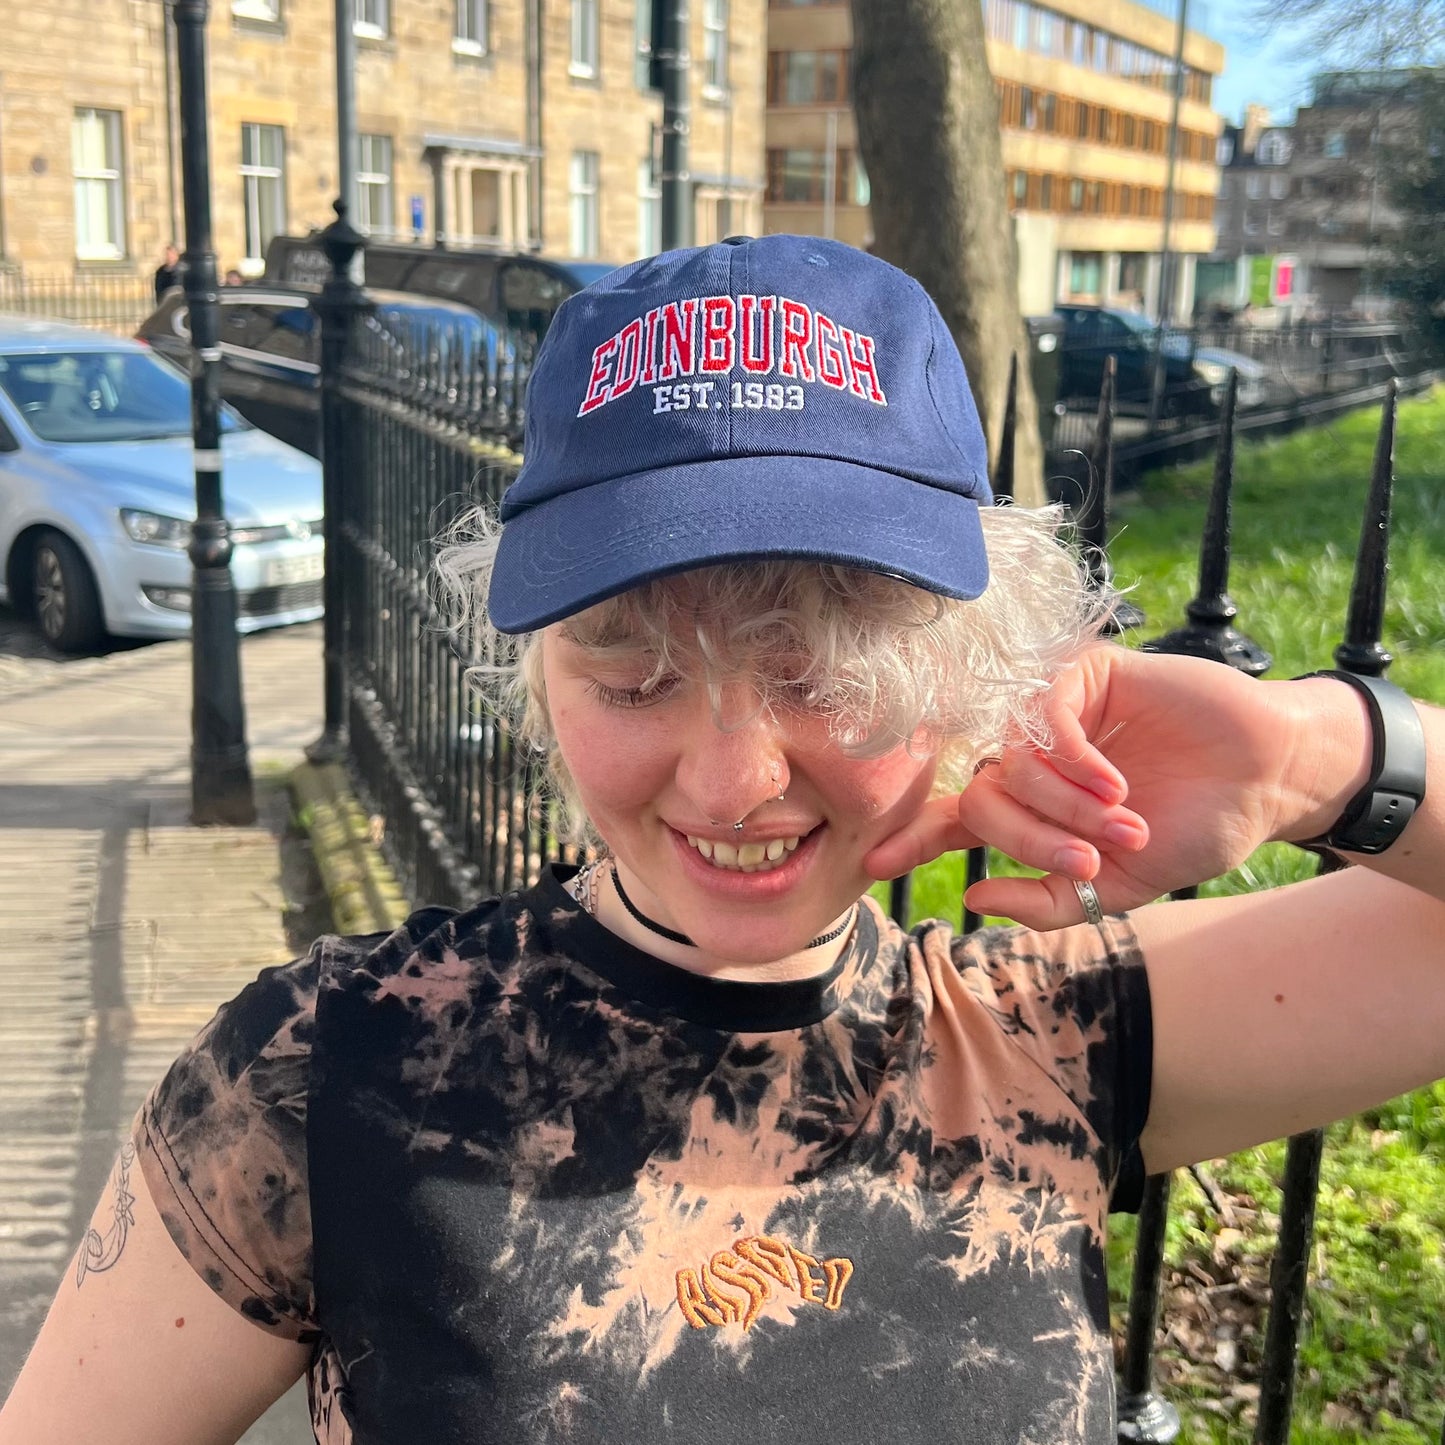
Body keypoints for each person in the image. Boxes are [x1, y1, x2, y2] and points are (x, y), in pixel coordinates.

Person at [1, 235, 1440, 1445]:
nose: (735, 776)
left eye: (822, 671)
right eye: (633, 673)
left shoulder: (1037, 1042)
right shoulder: (333, 1064)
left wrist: (1319, 752)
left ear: (959, 671)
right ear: (540, 676)